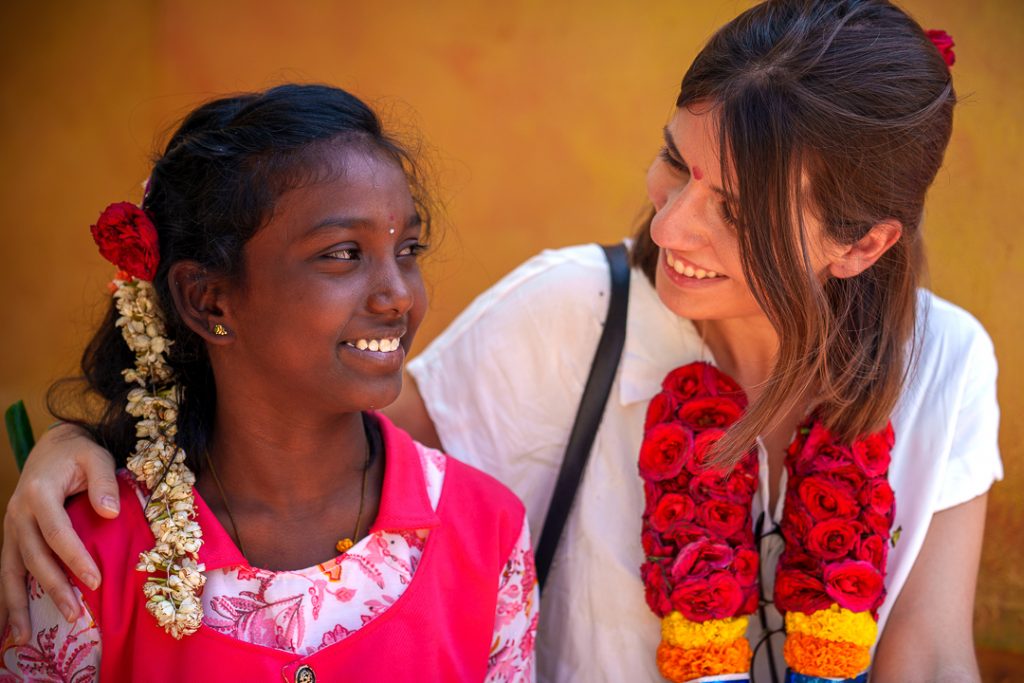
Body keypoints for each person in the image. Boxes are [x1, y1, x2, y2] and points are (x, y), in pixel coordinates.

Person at [1, 1, 1001, 681]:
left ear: (861, 243)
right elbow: (296, 424)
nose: (670, 227)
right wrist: (91, 442)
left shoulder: (947, 362)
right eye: (672, 163)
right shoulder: (571, 311)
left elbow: (928, 656)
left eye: (733, 210)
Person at [0, 84, 536, 681]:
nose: (400, 296)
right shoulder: (87, 551)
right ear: (208, 300)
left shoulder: (484, 532)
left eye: (407, 248)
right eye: (343, 254)